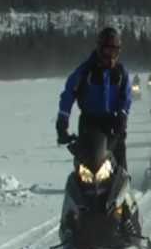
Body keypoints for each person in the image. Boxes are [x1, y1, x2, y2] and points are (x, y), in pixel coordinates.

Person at [56, 27, 131, 169]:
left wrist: (122, 114)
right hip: (89, 122)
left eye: (114, 51)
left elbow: (126, 96)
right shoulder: (85, 71)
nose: (110, 55)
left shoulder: (121, 72)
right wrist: (62, 120)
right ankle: (80, 186)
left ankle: (124, 183)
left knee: (119, 158)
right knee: (85, 161)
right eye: (107, 50)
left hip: (112, 121)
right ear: (100, 49)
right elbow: (68, 94)